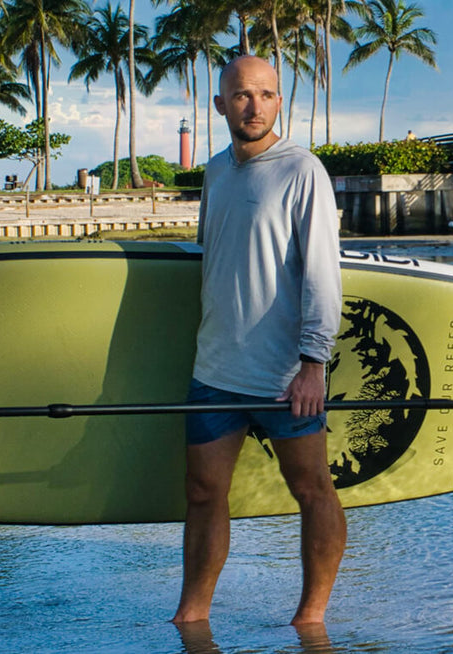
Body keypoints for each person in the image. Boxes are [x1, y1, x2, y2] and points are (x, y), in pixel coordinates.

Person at [171, 54, 345, 627]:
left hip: (282, 375)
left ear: (279, 102)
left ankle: (310, 618)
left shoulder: (303, 170)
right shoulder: (216, 172)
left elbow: (323, 271)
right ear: (220, 104)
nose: (255, 106)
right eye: (242, 95)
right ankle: (192, 616)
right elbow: (214, 260)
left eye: (267, 95)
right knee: (202, 491)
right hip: (215, 368)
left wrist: (314, 362)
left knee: (312, 488)